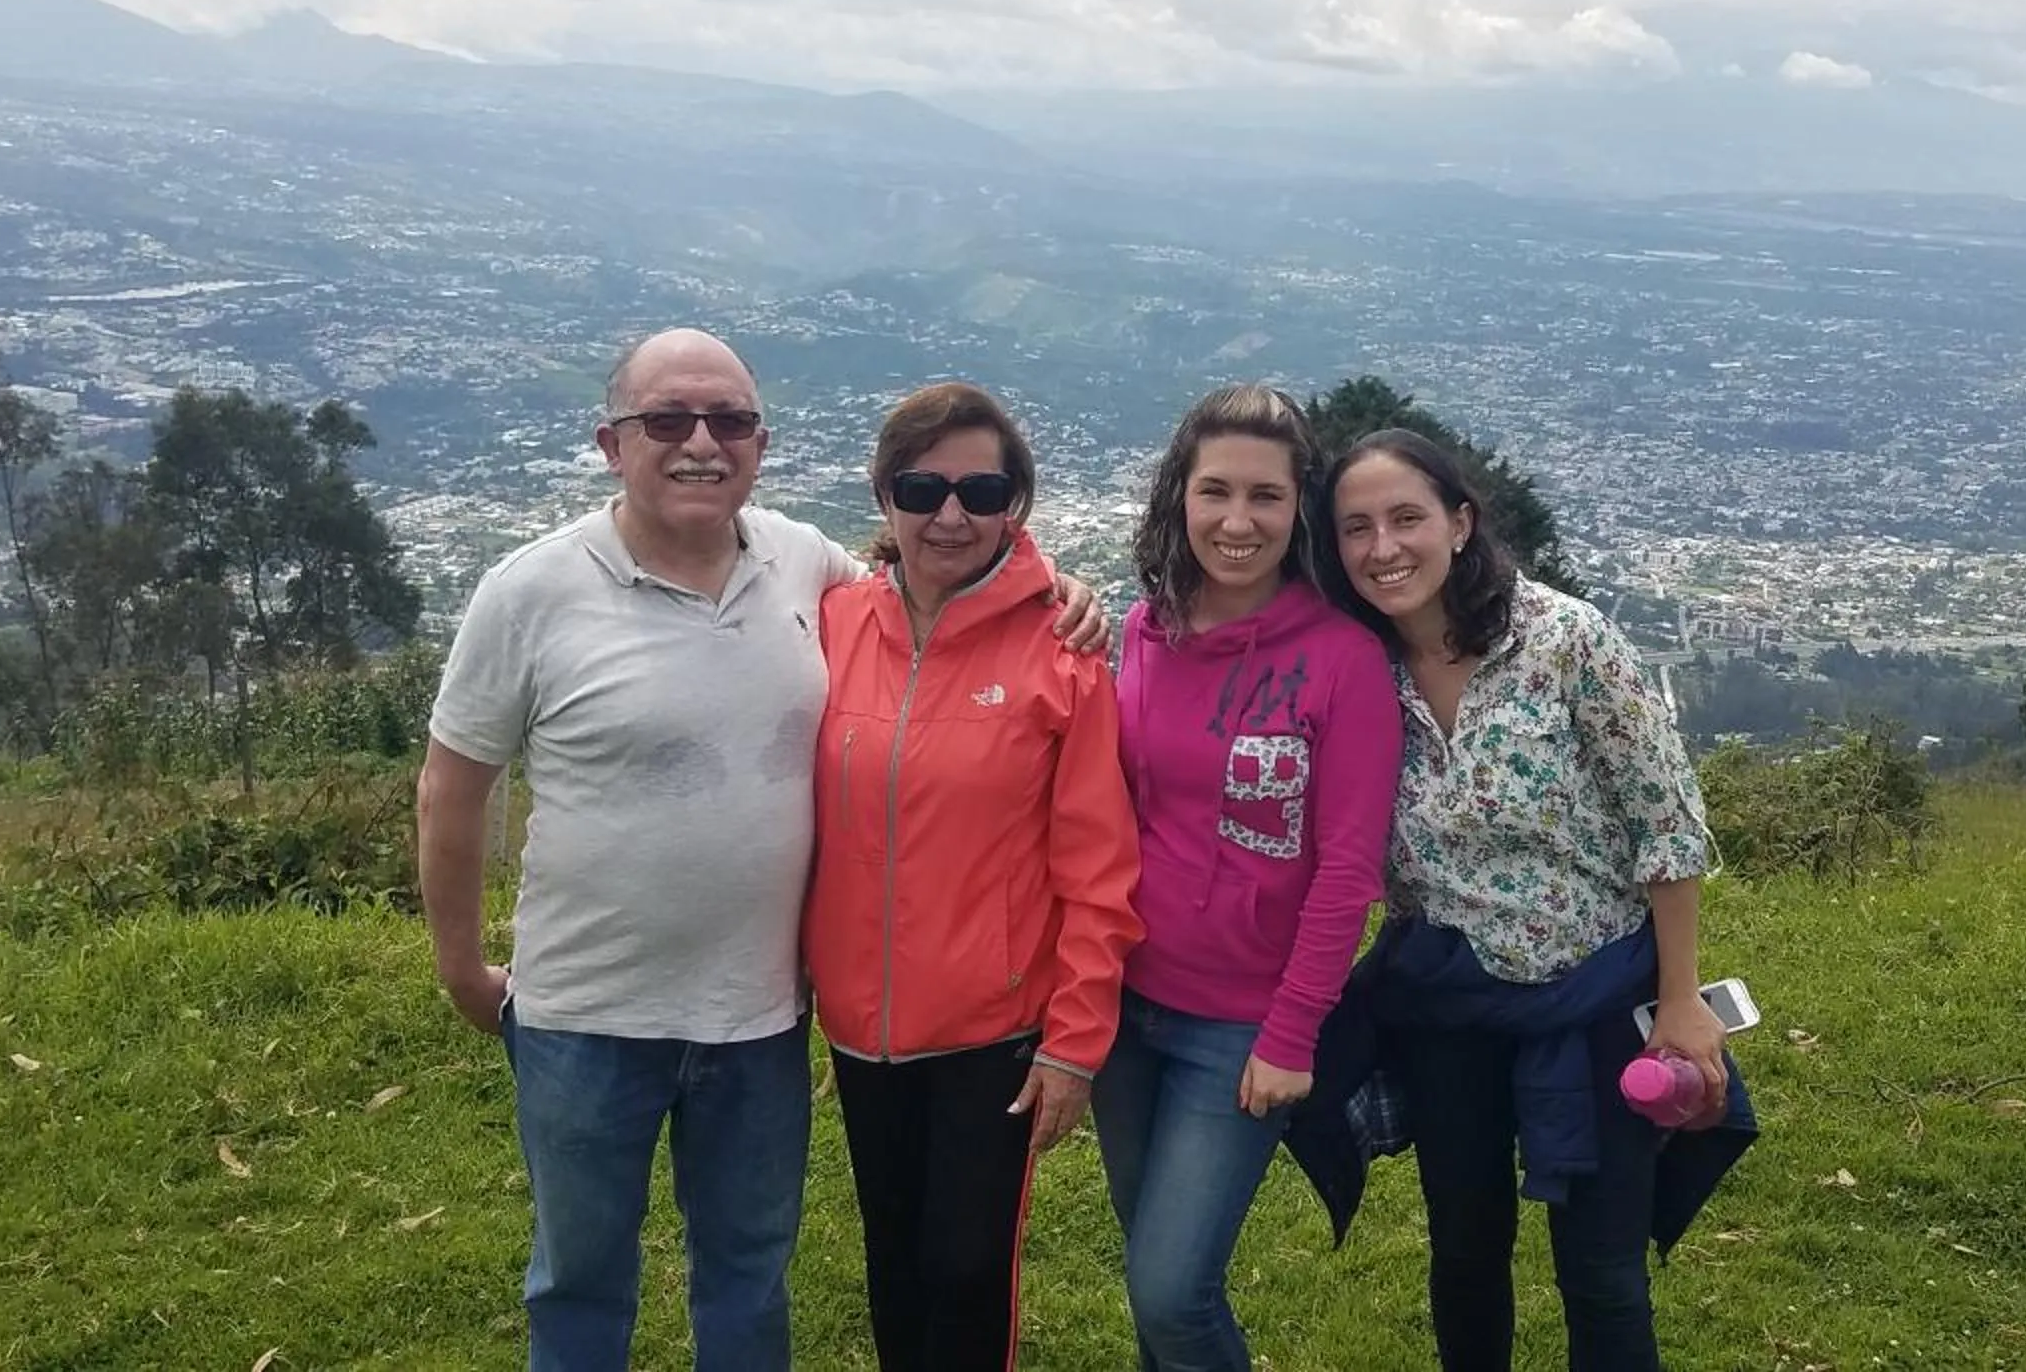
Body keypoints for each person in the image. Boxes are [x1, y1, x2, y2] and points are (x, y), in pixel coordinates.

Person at [415, 330, 1104, 1372]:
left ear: (761, 442)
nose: (701, 442)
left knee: (747, 1273)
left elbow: (949, 581)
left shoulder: (802, 565)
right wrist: (462, 964)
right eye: (668, 420)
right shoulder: (531, 590)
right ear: (612, 442)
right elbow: (451, 788)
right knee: (582, 1278)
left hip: (758, 1019)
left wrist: (1068, 591)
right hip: (583, 1013)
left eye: (729, 421)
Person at [1312, 428, 1754, 1372]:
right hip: (1448, 998)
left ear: (1461, 524)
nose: (1382, 547)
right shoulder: (1351, 668)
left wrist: (1681, 1001)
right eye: (1356, 528)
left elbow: (1665, 824)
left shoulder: (1564, 640)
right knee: (1465, 1253)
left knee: (1599, 1269)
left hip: (1592, 988)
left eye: (1405, 518)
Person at [802, 381, 1144, 1372]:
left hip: (993, 1029)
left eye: (981, 488)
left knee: (964, 1268)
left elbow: (1098, 863)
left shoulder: (1061, 650)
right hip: (861, 1026)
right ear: (885, 496)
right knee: (893, 1262)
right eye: (922, 486)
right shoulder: (830, 621)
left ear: (1015, 502)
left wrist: (1076, 1044)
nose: (950, 513)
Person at [1092, 385, 1401, 1372]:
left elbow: (1349, 866)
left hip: (1238, 1028)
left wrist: (1291, 1028)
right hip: (1123, 1005)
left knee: (1175, 1290)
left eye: (1265, 496)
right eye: (1215, 490)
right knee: (1151, 1273)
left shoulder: (1342, 659)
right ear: (1178, 497)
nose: (1237, 520)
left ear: (1298, 506)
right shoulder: (1145, 627)